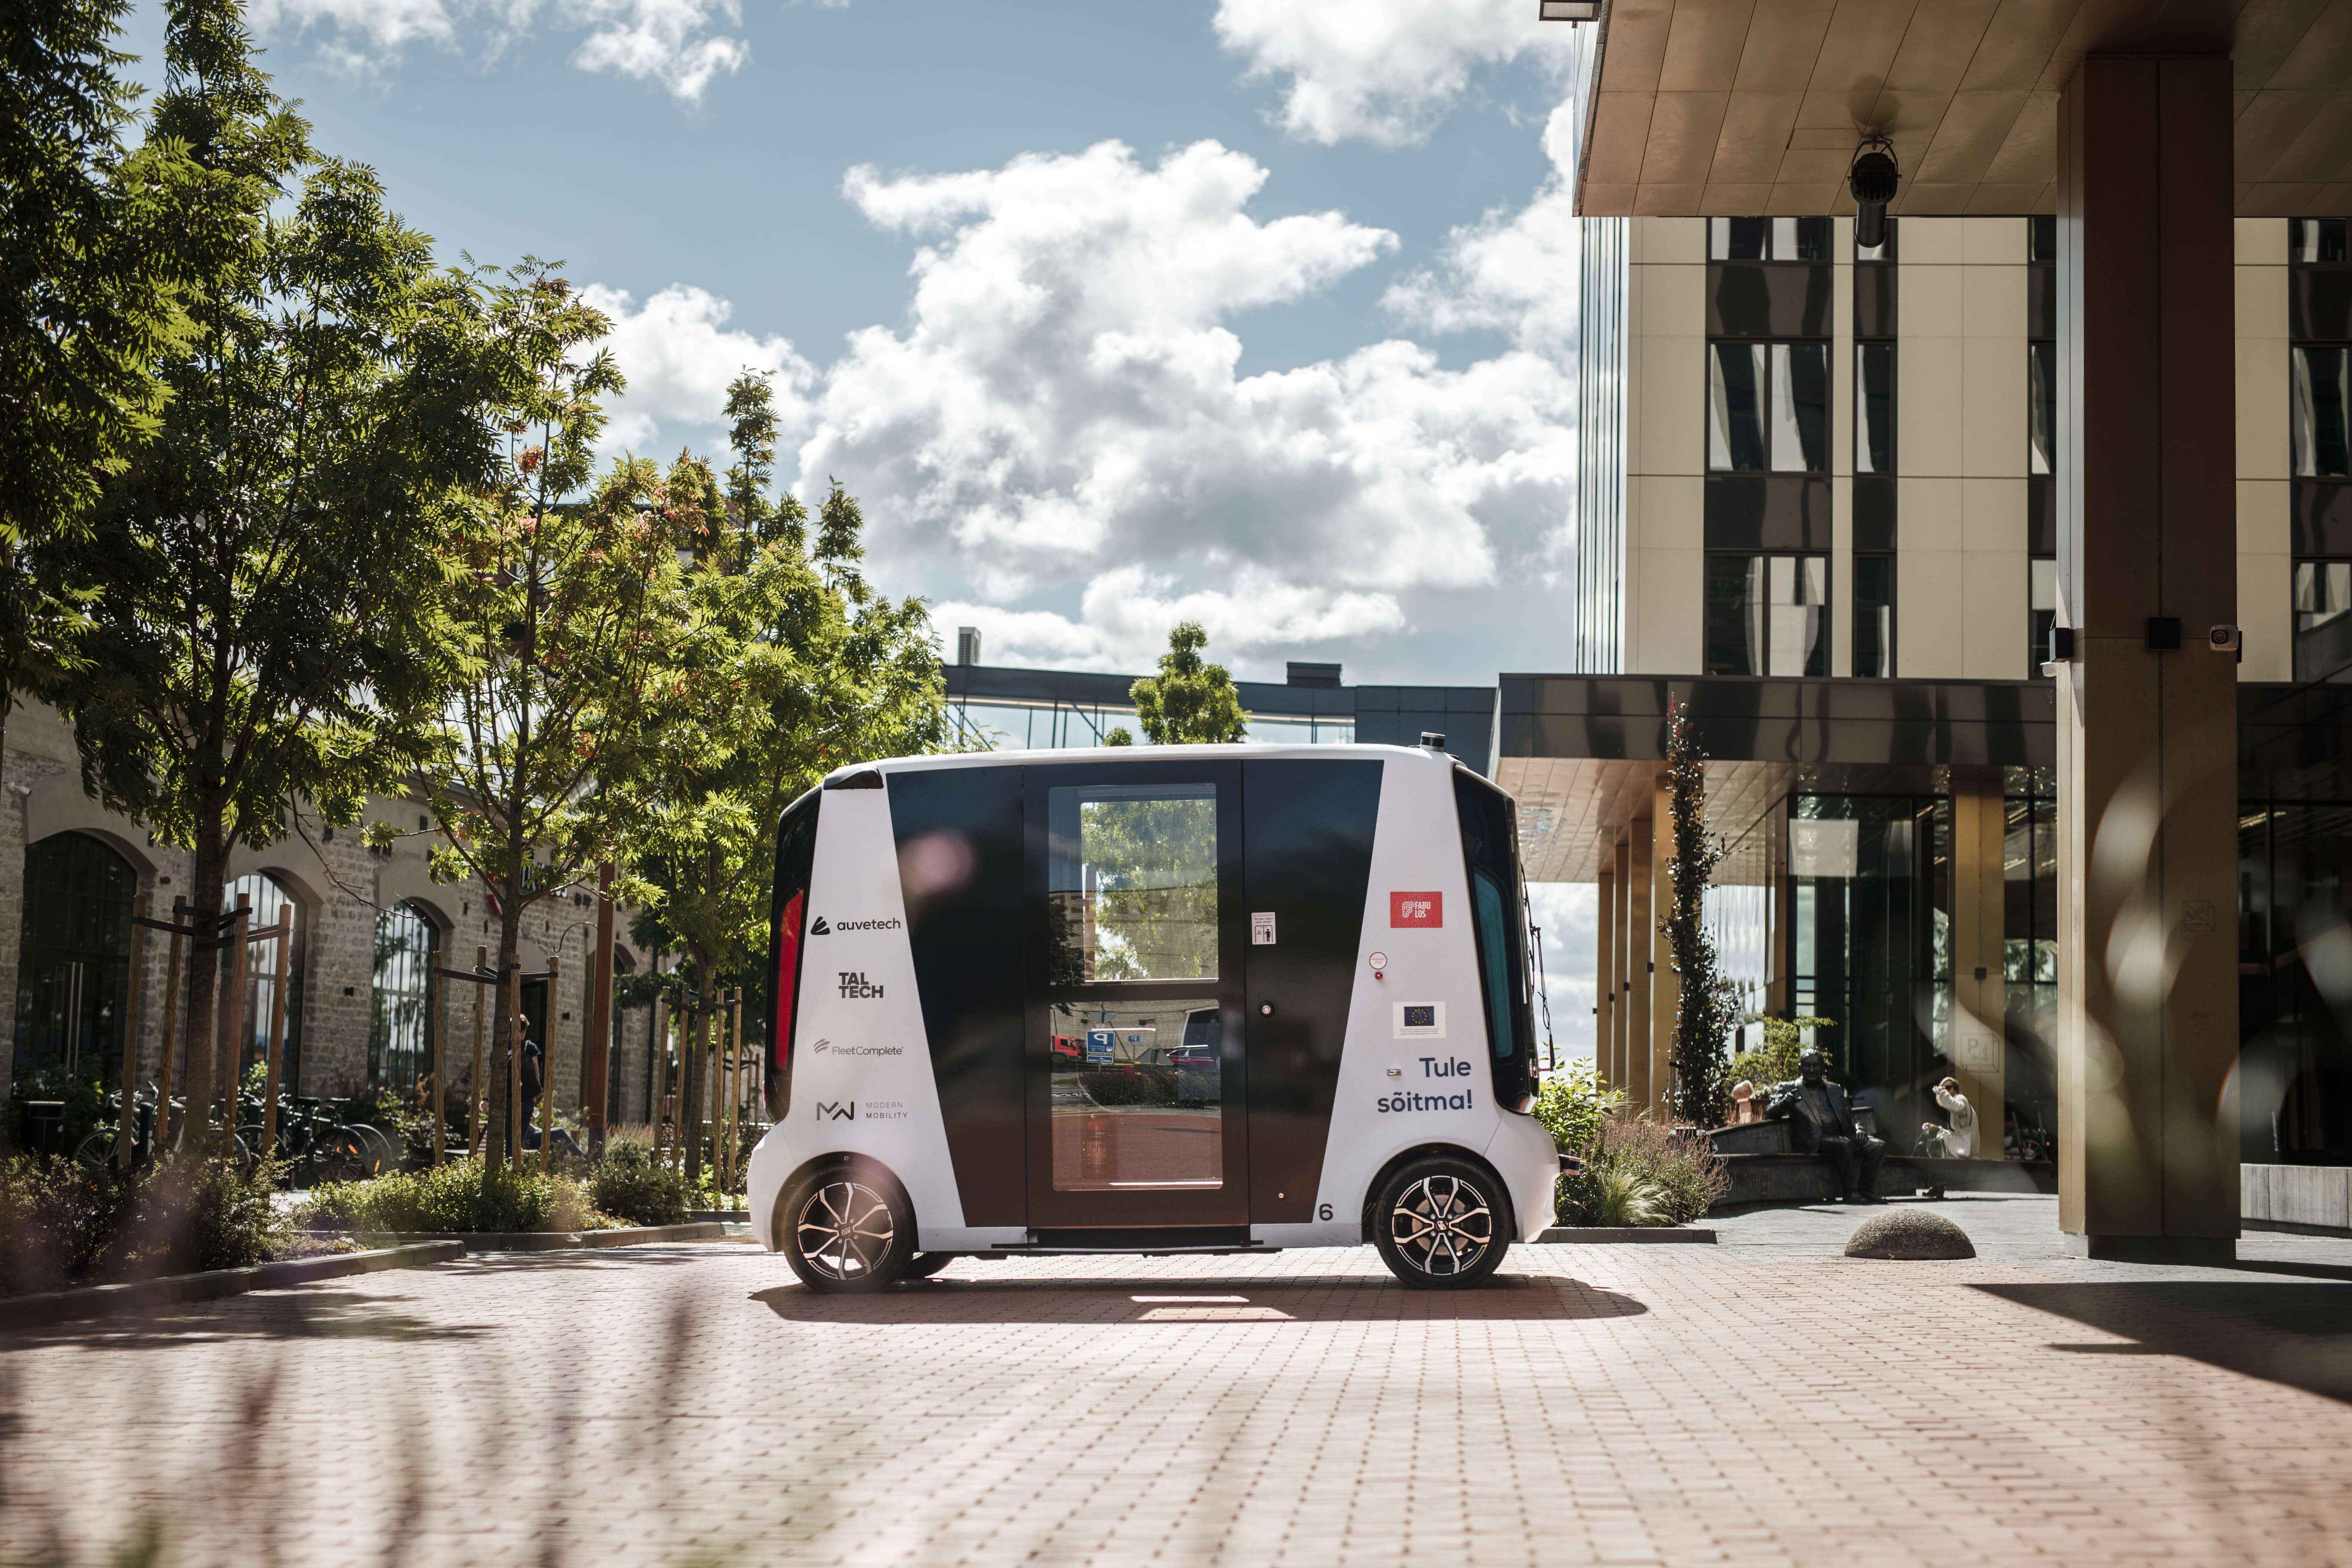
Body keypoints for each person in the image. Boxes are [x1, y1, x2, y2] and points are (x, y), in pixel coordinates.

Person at [1765, 1049, 1886, 1203]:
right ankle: (1850, 1193)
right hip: (1813, 1140)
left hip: (1842, 1136)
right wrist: (1783, 1104)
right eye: (1808, 1066)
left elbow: (1850, 1116)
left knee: (1878, 1147)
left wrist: (1859, 1129)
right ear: (1799, 1068)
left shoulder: (1834, 1089)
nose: (1812, 1070)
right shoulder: (1789, 1088)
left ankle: (1867, 1191)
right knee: (1844, 1144)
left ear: (1823, 1069)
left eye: (1816, 1066)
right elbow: (1768, 1112)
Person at [1931, 1076, 1977, 1160]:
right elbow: (1956, 1134)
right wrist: (1938, 1129)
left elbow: (1958, 1108)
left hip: (1966, 1154)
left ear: (1956, 1090)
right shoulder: (1955, 1105)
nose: (1946, 1091)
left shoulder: (1960, 1098)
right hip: (1964, 1151)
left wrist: (1942, 1091)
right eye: (1944, 1088)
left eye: (1948, 1088)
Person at [519, 1035, 545, 1148]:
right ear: (524, 1032)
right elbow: (536, 1070)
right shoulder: (530, 1048)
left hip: (527, 1136)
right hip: (529, 1139)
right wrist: (536, 1089)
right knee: (560, 1133)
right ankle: (584, 1159)